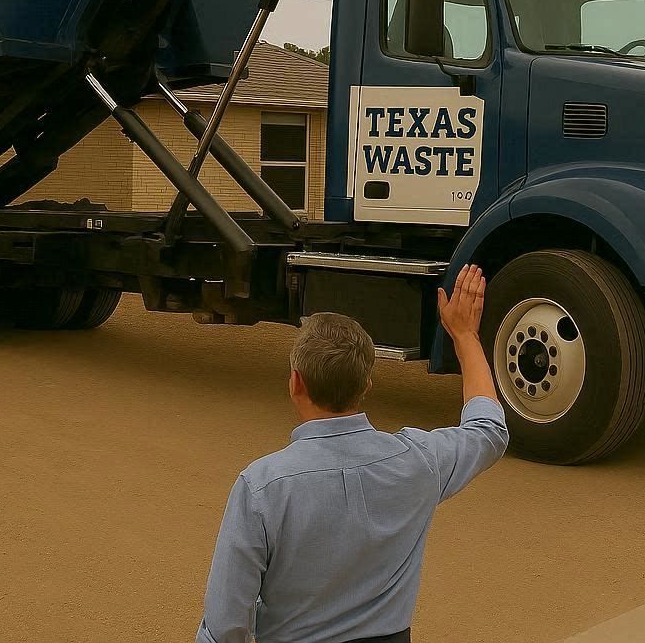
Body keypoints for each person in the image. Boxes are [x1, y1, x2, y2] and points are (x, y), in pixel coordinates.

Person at [195, 264, 507, 643]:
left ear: (296, 383)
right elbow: (488, 430)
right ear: (367, 383)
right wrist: (465, 336)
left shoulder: (262, 487)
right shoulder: (419, 460)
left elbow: (226, 626)